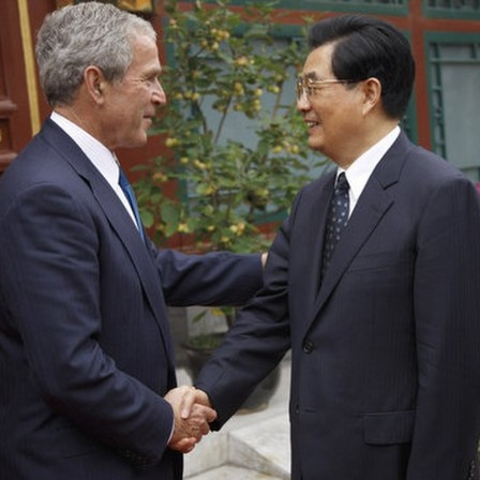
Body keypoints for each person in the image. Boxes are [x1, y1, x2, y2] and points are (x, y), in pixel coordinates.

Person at [194, 14, 480, 480]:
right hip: (314, 458)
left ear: (369, 93)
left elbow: (452, 368)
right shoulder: (312, 202)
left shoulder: (438, 194)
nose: (301, 104)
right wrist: (206, 396)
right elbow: (270, 315)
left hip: (391, 463)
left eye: (312, 87)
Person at [0, 3, 265, 479]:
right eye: (150, 78)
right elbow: (70, 366)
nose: (161, 96)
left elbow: (147, 270)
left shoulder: (86, 169)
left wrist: (266, 268)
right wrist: (165, 422)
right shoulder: (46, 193)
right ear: (96, 83)